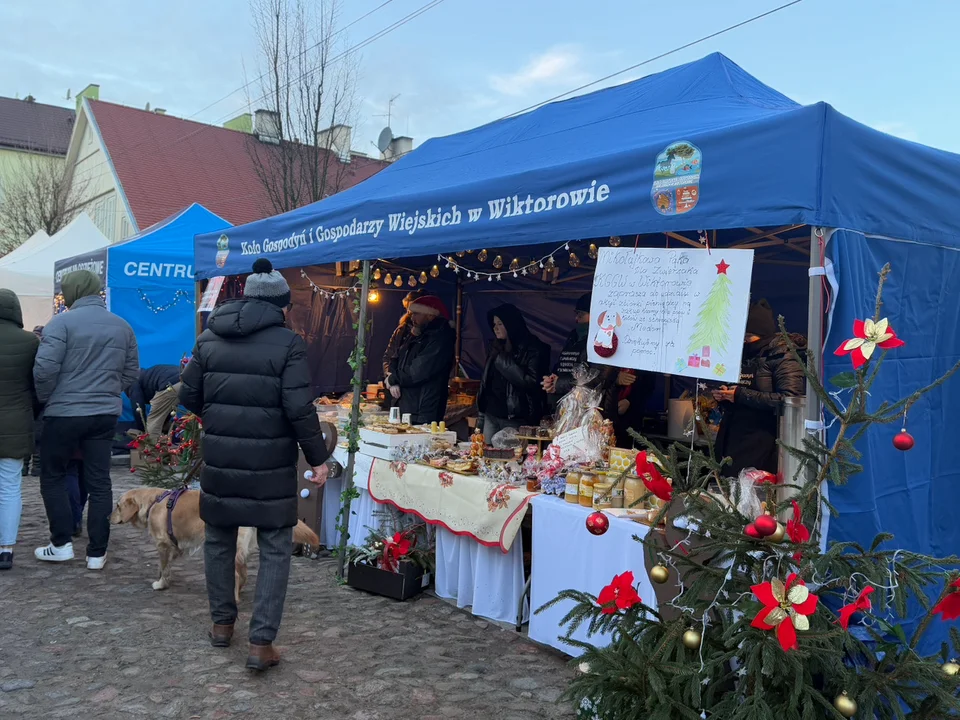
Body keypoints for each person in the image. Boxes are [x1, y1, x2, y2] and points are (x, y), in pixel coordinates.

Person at [179, 257, 330, 672]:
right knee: (276, 547)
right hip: (270, 464)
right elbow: (299, 409)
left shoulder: (209, 337)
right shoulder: (289, 344)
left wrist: (220, 418)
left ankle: (222, 626)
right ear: (282, 306)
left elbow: (189, 396)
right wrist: (319, 460)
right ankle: (261, 643)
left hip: (223, 458)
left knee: (219, 540)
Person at [33, 270, 139, 569]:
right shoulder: (122, 326)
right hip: (104, 413)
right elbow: (131, 372)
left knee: (52, 475)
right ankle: (97, 553)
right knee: (99, 481)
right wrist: (107, 392)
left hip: (64, 412)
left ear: (70, 292)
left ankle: (61, 543)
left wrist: (47, 398)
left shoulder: (60, 324)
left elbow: (44, 370)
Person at [712, 299, 805, 477]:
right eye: (742, 338)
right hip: (733, 440)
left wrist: (740, 394)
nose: (745, 343)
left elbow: (789, 400)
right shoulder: (741, 357)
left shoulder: (784, 356)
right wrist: (725, 396)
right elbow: (738, 394)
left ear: (764, 335)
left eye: (749, 338)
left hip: (764, 443)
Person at [0, 290, 40, 570]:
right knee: (10, 487)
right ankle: (6, 549)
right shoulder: (30, 342)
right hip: (16, 421)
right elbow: (39, 383)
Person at [541, 292, 623, 418]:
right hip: (568, 407)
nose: (577, 319)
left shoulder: (604, 339)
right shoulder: (573, 335)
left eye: (581, 314)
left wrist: (560, 383)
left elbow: (599, 377)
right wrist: (552, 380)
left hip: (593, 411)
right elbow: (563, 364)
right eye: (576, 314)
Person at [477, 304, 549, 439]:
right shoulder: (496, 346)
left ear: (511, 324)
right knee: (486, 455)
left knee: (512, 455)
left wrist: (501, 360)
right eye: (494, 324)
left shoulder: (533, 348)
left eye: (500, 324)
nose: (495, 328)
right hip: (491, 413)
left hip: (515, 417)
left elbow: (532, 382)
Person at [385, 295, 456, 425]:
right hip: (407, 404)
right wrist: (391, 374)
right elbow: (395, 357)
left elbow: (419, 370)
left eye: (416, 314)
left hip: (423, 409)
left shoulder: (441, 338)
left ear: (430, 315)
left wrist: (393, 379)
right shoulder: (416, 334)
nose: (412, 318)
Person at [381, 290, 424, 404]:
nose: (411, 315)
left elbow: (419, 367)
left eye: (415, 312)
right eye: (409, 311)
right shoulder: (401, 330)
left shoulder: (431, 333)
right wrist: (391, 377)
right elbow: (389, 357)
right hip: (397, 391)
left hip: (417, 393)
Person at [127, 364, 182, 434]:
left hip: (170, 383)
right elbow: (168, 406)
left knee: (153, 421)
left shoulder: (131, 380)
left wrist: (142, 430)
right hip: (187, 379)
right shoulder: (146, 374)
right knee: (192, 417)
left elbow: (138, 407)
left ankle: (151, 442)